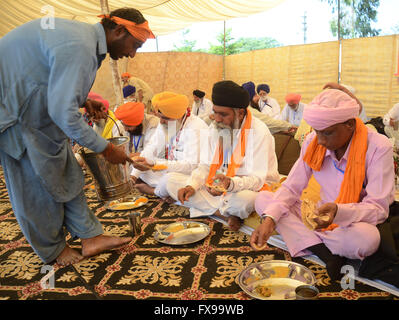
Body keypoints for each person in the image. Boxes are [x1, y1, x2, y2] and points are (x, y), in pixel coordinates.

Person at [0, 7, 155, 266]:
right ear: (118, 31)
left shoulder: (83, 40)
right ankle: (53, 251)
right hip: (14, 114)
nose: (132, 53)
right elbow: (62, 112)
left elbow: (48, 78)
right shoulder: (80, 46)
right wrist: (106, 149)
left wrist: (82, 100)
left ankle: (90, 237)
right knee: (33, 184)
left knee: (67, 172)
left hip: (36, 110)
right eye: (135, 45)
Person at [251, 88, 395, 281]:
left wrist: (339, 212)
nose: (320, 140)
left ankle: (308, 240)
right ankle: (326, 254)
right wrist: (269, 220)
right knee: (264, 200)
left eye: (327, 133)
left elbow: (378, 208)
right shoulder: (313, 141)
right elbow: (292, 186)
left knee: (368, 239)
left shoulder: (378, 147)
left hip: (351, 221)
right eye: (317, 131)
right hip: (318, 215)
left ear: (350, 124)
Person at [166, 80, 280, 231]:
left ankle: (221, 209)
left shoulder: (259, 132)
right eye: (215, 112)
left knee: (242, 201)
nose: (217, 119)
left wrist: (230, 184)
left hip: (252, 187)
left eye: (223, 114)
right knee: (171, 181)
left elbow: (257, 180)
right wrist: (192, 185)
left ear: (240, 112)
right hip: (218, 185)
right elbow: (206, 165)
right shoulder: (215, 128)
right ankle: (224, 214)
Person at [130, 91, 208, 200]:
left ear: (178, 115)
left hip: (193, 176)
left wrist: (155, 165)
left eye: (165, 118)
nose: (161, 122)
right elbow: (151, 148)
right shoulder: (167, 123)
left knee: (168, 180)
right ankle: (167, 192)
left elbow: (191, 166)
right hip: (172, 169)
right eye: (159, 117)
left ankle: (154, 191)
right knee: (136, 165)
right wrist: (133, 177)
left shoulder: (195, 128)